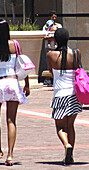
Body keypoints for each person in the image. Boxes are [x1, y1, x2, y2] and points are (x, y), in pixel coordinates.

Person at [0, 19, 30, 166]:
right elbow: (23, 64)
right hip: (13, 83)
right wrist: (27, 84)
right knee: (11, 120)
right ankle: (10, 155)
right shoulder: (15, 45)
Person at [46, 28, 82, 165]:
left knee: (60, 127)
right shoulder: (76, 53)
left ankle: (66, 145)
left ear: (55, 39)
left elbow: (50, 71)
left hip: (60, 94)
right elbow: (78, 69)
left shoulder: (51, 55)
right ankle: (70, 156)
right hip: (74, 94)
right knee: (70, 125)